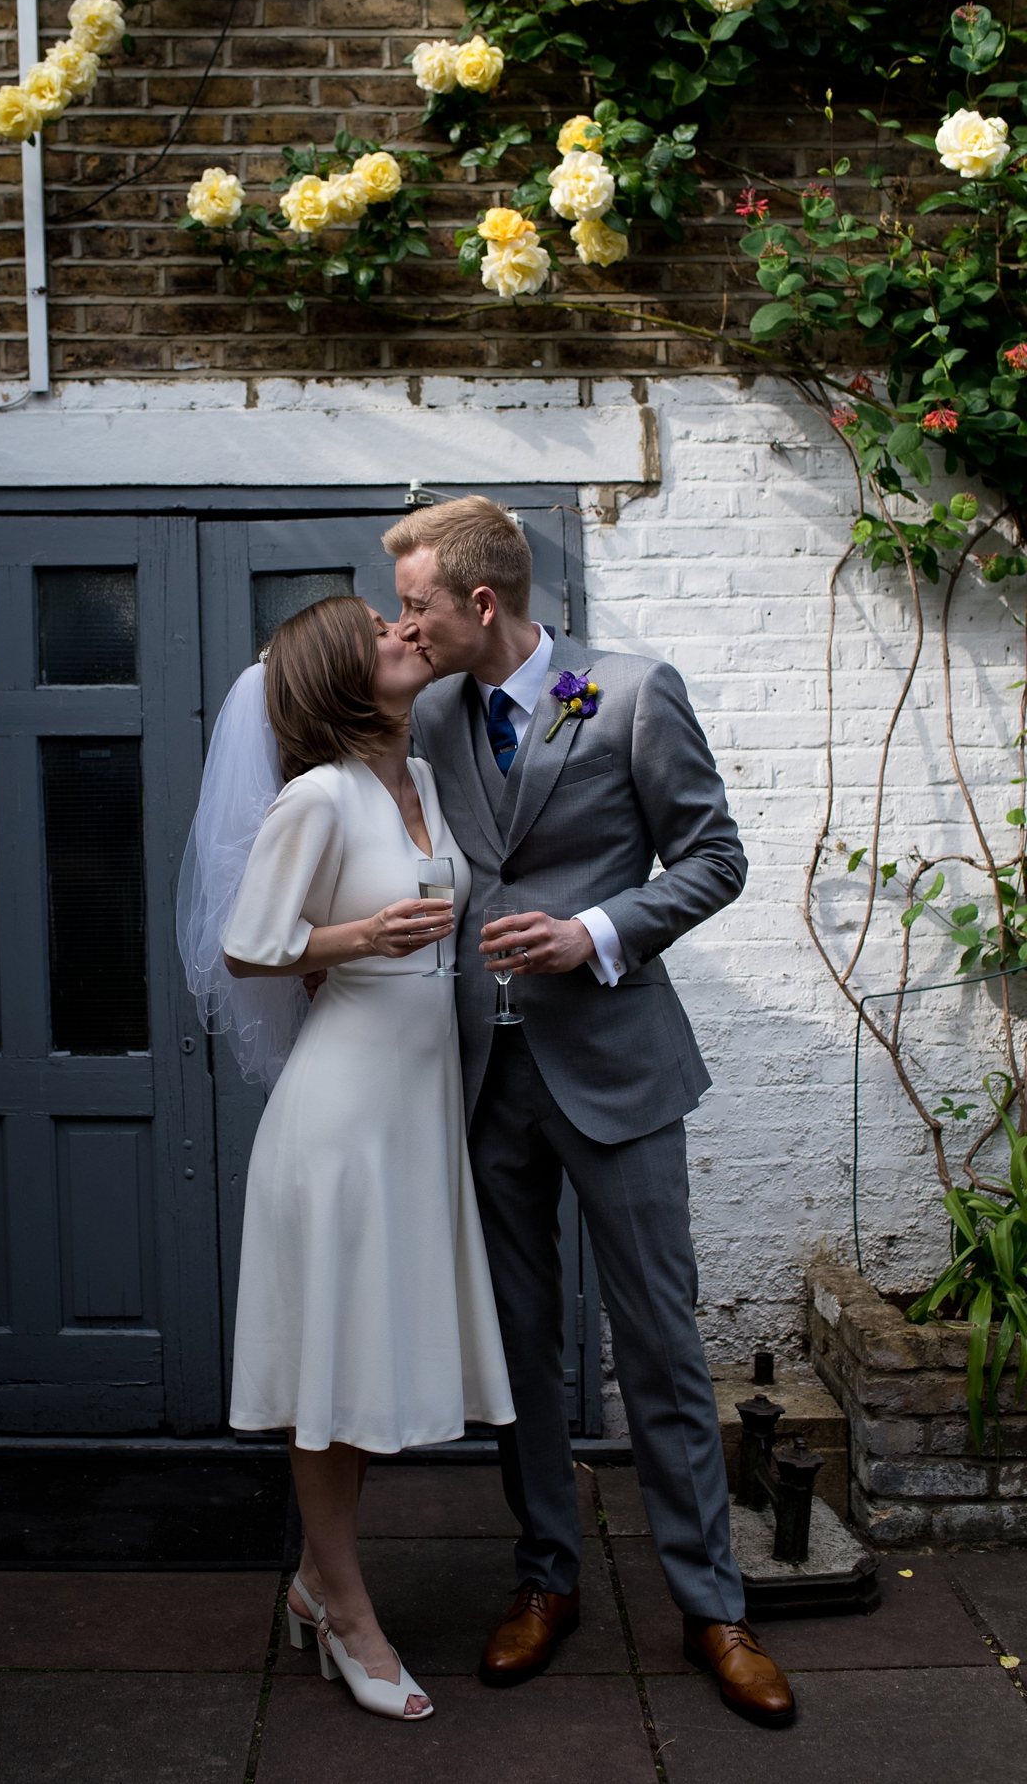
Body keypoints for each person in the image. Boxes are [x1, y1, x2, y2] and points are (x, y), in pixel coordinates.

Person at [386, 496, 796, 1729]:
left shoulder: (629, 692)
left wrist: (595, 931)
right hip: (483, 1078)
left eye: (415, 602)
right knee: (518, 1348)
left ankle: (712, 1604)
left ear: (482, 602)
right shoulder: (436, 710)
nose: (402, 622)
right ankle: (546, 1576)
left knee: (660, 1342)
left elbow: (715, 857)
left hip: (615, 1066)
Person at [177, 594, 514, 1724]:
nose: (403, 633)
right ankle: (348, 1609)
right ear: (338, 677)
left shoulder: (415, 779)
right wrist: (361, 938)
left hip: (412, 1117)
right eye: (380, 632)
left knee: (362, 1368)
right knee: (328, 1381)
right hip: (338, 1123)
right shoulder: (315, 797)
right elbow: (248, 943)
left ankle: (319, 1583)